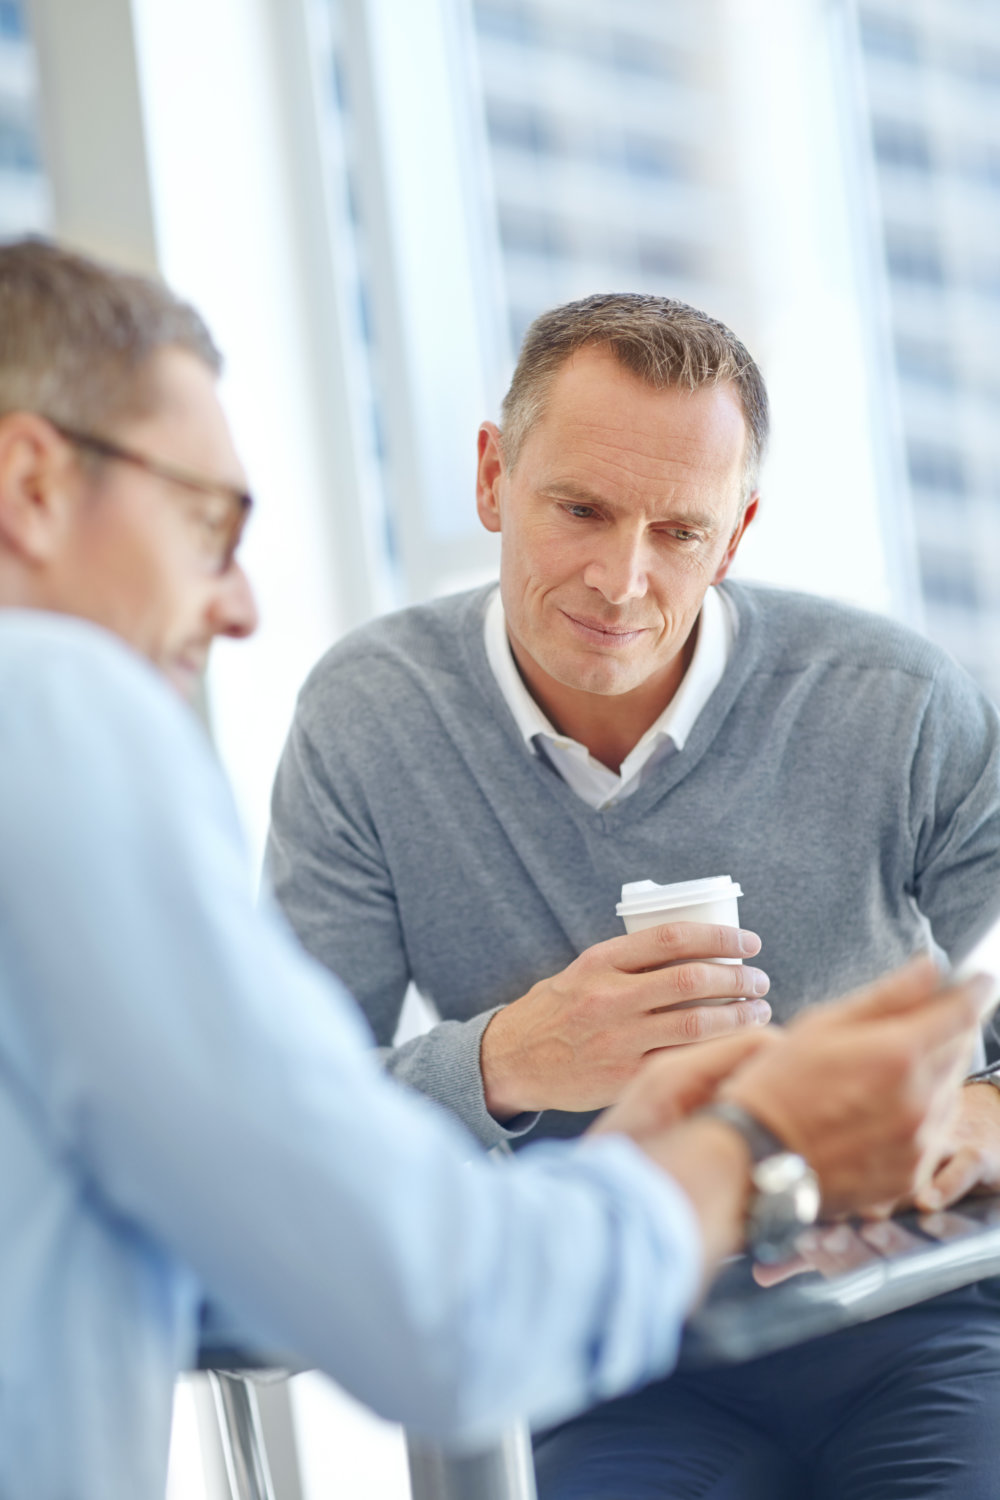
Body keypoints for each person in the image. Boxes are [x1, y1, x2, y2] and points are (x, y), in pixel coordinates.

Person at [268, 292, 1000, 1498]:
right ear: (493, 477)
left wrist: (966, 1119)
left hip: (909, 1319)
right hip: (616, 1341)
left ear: (736, 535)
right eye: (581, 510)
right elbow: (290, 1117)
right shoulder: (370, 720)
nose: (621, 579)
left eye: (678, 531)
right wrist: (504, 1061)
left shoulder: (892, 703)